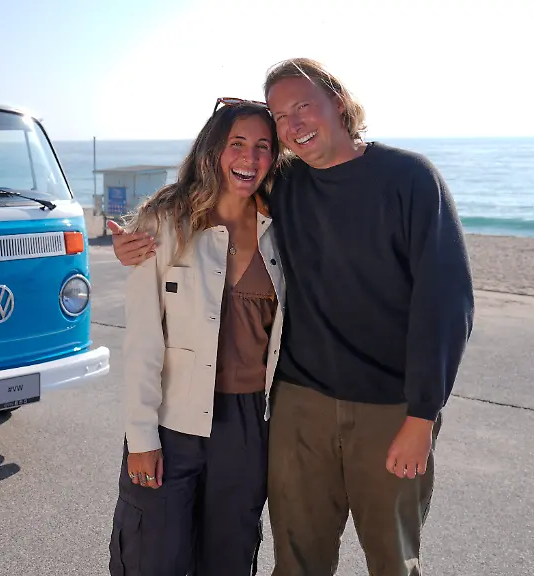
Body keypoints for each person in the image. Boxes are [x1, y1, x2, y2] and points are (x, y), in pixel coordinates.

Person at [109, 58, 475, 576]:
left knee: (387, 560)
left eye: (304, 107)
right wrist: (133, 242)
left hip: (368, 411)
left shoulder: (397, 181)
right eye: (282, 116)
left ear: (340, 104)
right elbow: (208, 196)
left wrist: (423, 412)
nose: (293, 124)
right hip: (286, 407)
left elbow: (447, 302)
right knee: (280, 561)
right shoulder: (254, 198)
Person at [108, 98, 285, 576]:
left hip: (248, 427)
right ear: (214, 150)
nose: (249, 159)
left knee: (229, 559)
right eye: (238, 144)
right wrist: (141, 435)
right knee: (153, 559)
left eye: (263, 147)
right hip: (171, 423)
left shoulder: (285, 230)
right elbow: (143, 340)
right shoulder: (165, 222)